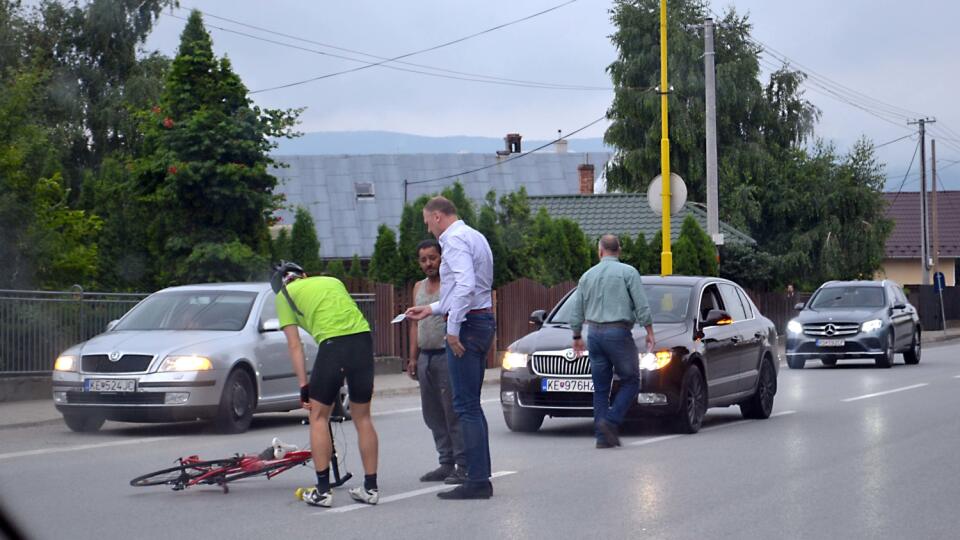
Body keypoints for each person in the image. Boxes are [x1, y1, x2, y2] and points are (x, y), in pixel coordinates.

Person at [405, 196, 496, 500]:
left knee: (465, 406)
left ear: (439, 217)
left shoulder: (453, 240)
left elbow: (466, 287)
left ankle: (477, 479)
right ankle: (479, 475)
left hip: (468, 326)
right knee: (472, 405)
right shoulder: (474, 236)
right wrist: (430, 310)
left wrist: (453, 328)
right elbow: (460, 290)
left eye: (427, 220)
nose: (427, 227)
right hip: (481, 321)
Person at [271, 261, 380, 508]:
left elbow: (294, 345)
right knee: (363, 417)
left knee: (318, 416)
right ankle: (371, 488)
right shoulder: (333, 281)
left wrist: (303, 385)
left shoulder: (283, 296)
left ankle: (322, 491)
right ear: (303, 275)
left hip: (334, 346)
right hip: (363, 341)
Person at [569, 235, 655, 449]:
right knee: (632, 380)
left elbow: (577, 309)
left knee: (600, 389)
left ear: (600, 251)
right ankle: (611, 421)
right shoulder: (628, 272)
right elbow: (641, 304)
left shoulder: (587, 276)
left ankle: (601, 437)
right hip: (618, 333)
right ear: (619, 250)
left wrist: (577, 336)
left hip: (594, 335)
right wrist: (649, 330)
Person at [407, 239, 468, 484]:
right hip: (425, 357)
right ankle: (445, 462)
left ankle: (462, 463)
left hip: (447, 355)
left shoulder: (450, 285)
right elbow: (414, 324)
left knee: (452, 412)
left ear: (442, 258)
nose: (428, 264)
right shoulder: (418, 287)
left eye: (432, 258)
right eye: (423, 260)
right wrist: (412, 357)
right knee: (432, 413)